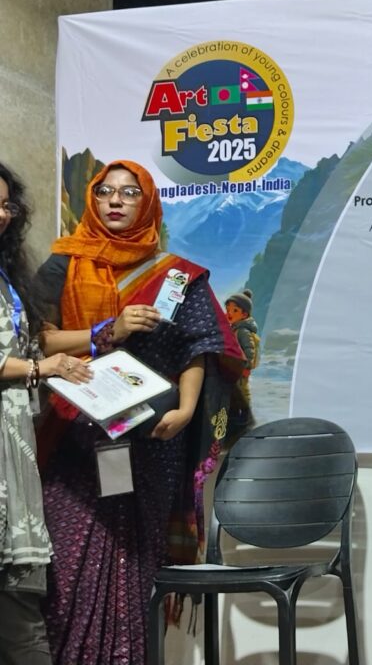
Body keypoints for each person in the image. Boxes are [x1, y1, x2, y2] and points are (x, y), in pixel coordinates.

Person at [33, 160, 251, 665]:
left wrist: (188, 407)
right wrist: (108, 331)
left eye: (130, 192)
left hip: (152, 440)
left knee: (135, 561)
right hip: (75, 437)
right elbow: (38, 341)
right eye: (105, 191)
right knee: (67, 565)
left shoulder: (175, 275)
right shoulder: (63, 265)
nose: (115, 200)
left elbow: (199, 346)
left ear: (148, 203)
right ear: (92, 199)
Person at [0, 162, 90, 665]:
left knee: (19, 609)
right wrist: (39, 368)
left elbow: (34, 343)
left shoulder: (7, 277)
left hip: (14, 446)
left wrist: (104, 337)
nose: (2, 214)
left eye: (6, 205)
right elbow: (33, 359)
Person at [225, 288, 260, 405]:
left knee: (243, 392)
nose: (229, 313)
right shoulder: (235, 328)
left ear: (244, 314)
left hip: (241, 369)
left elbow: (249, 350)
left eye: (235, 310)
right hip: (235, 368)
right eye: (228, 309)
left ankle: (246, 412)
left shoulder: (243, 331)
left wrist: (245, 366)